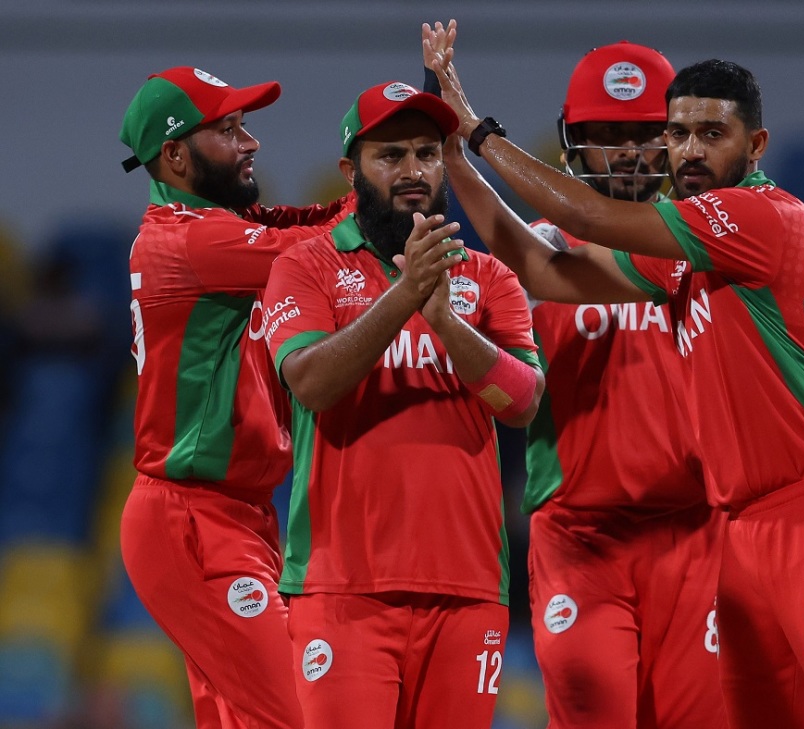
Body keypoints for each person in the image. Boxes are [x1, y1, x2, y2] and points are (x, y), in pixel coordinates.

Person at [424, 21, 804, 729]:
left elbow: (583, 213)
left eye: (711, 134)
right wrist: (456, 160)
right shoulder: (683, 250)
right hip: (730, 524)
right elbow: (543, 267)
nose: (688, 151)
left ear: (757, 145)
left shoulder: (755, 216)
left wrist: (477, 132)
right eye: (678, 134)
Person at [262, 80, 543, 729]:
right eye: (391, 155)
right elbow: (310, 383)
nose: (413, 170)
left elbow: (523, 401)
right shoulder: (305, 267)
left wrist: (445, 321)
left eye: (426, 153)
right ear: (350, 171)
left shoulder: (490, 279)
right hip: (342, 589)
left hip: (468, 589)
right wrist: (407, 294)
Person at [118, 66, 354, 729]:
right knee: (308, 714)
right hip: (193, 521)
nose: (251, 143)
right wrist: (394, 180)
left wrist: (385, 177)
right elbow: (327, 244)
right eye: (227, 130)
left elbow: (311, 218)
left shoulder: (213, 227)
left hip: (237, 516)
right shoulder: (192, 240)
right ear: (175, 155)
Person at [520, 42, 725, 728]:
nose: (631, 153)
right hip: (580, 540)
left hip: (696, 534)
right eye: (609, 135)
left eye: (646, 135)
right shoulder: (535, 253)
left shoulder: (712, 243)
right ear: (573, 141)